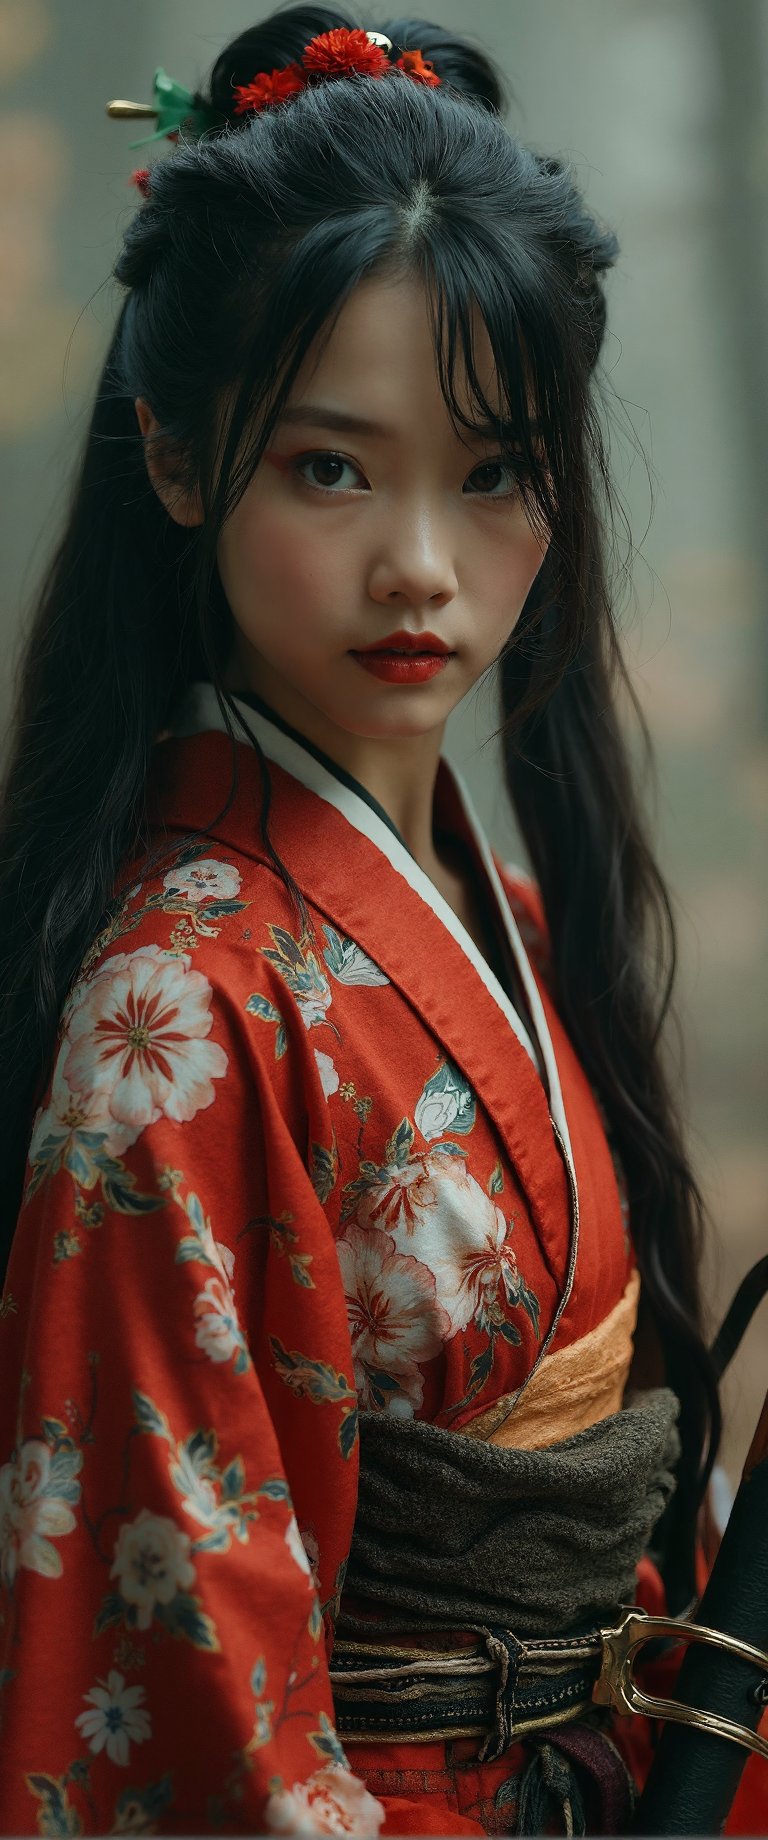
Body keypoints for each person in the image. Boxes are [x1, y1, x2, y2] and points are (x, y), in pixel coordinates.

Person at [0, 7, 764, 1834]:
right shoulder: (175, 1013)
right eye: (331, 467)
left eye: (492, 473)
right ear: (179, 463)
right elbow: (176, 1680)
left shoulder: (494, 909)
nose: (421, 560)